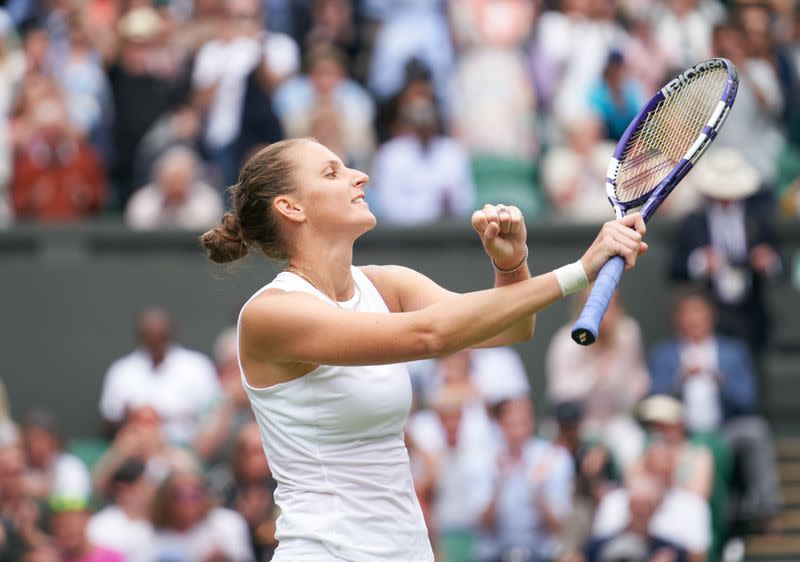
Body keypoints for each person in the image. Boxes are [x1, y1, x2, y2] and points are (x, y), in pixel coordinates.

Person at [199, 137, 648, 560]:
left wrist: (511, 264)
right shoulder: (270, 315)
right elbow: (430, 336)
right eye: (332, 173)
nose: (360, 176)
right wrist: (579, 271)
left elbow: (509, 329)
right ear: (291, 207)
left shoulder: (386, 284)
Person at [648, 289, 781, 527]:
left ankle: (765, 510)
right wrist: (679, 381)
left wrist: (720, 381)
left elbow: (748, 400)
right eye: (687, 313)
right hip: (682, 436)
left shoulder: (733, 351)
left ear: (711, 316)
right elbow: (655, 403)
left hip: (724, 430)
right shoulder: (665, 355)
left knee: (756, 430)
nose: (693, 319)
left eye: (698, 312)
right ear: (677, 319)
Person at [98, 308, 220, 445]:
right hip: (134, 447)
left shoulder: (197, 366)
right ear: (139, 336)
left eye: (160, 336)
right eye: (149, 336)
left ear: (171, 334)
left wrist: (170, 415)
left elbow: (213, 411)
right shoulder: (122, 370)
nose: (155, 341)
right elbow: (110, 416)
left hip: (185, 446)